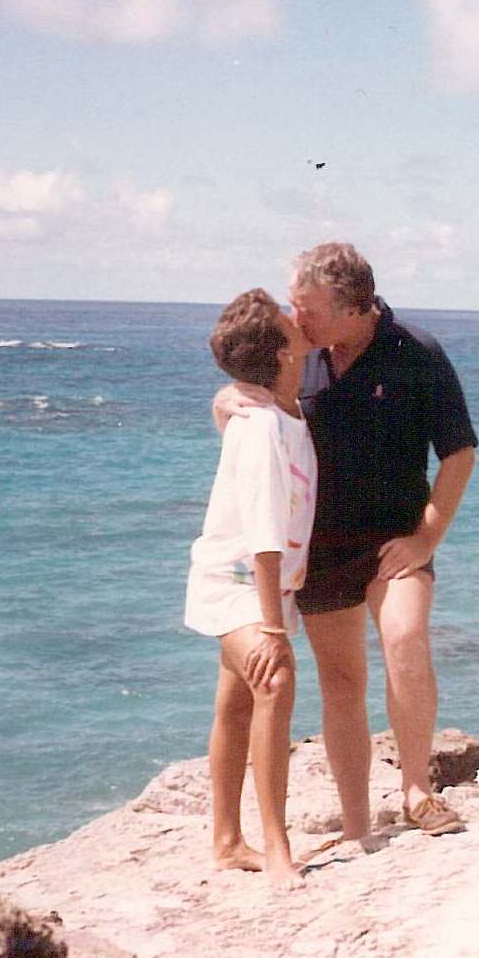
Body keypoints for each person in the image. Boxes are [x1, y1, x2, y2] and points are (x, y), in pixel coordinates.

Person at [215, 242, 477, 841]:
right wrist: (223, 401)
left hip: (394, 539)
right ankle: (359, 827)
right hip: (320, 546)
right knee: (341, 683)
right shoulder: (297, 355)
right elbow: (250, 415)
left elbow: (459, 452)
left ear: (354, 308)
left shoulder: (418, 355)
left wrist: (426, 537)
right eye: (292, 304)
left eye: (305, 307)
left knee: (405, 636)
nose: (293, 317)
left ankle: (417, 790)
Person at [184, 288, 316, 888]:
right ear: (284, 352)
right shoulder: (261, 424)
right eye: (291, 325)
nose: (300, 325)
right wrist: (273, 627)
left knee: (236, 700)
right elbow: (264, 535)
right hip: (238, 582)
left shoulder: (281, 412)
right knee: (275, 680)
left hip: (264, 582)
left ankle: (227, 842)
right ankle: (277, 849)